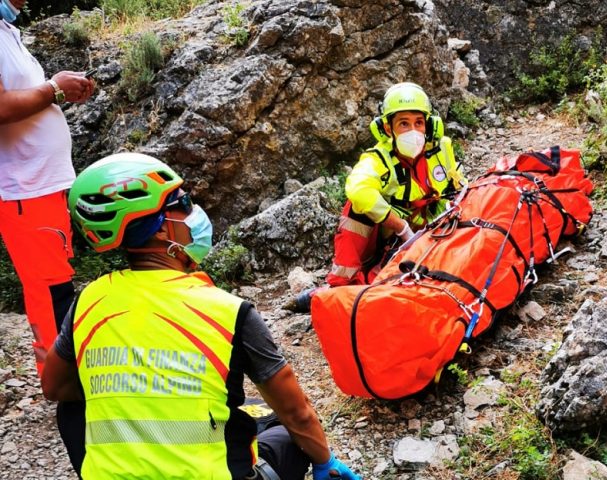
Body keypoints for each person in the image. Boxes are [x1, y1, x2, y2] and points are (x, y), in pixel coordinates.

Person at [42, 153, 360, 480]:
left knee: (73, 407)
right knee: (284, 430)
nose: (193, 212)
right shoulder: (228, 311)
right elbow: (298, 413)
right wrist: (325, 463)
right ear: (163, 228)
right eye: (184, 202)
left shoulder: (90, 299)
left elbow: (54, 386)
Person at [1, 0, 95, 473]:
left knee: (57, 284)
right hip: (23, 190)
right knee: (49, 292)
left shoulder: (5, 29)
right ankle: (62, 387)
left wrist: (55, 84)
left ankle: (63, 375)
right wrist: (54, 88)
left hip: (41, 185)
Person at [285, 82, 464, 312]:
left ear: (428, 125)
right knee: (356, 208)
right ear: (388, 129)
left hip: (432, 233)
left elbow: (459, 188)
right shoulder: (378, 159)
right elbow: (358, 189)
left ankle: (353, 290)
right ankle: (340, 286)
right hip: (392, 236)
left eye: (419, 123)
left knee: (391, 283)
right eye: (403, 124)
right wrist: (402, 229)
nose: (413, 131)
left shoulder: (441, 151)